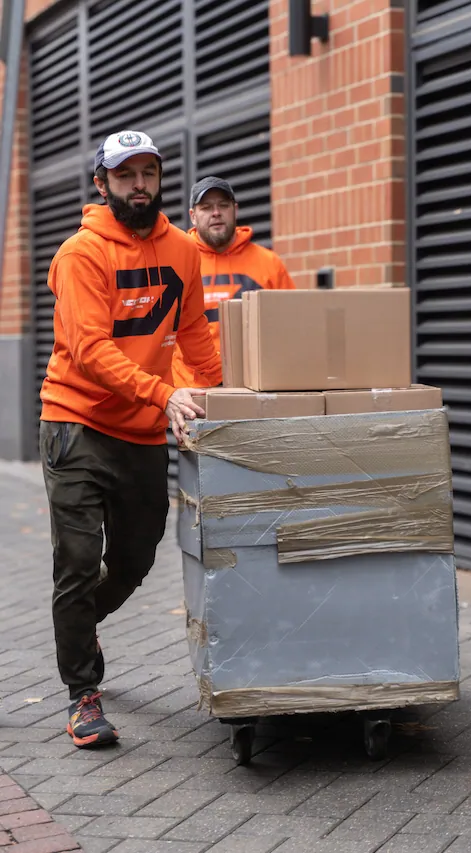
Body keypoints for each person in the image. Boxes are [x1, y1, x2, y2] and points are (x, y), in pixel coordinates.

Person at [39, 130, 222, 748]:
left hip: (142, 430)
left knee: (137, 558)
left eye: (148, 173)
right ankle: (82, 693)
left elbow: (193, 330)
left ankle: (80, 624)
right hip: (76, 423)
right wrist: (164, 393)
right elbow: (89, 351)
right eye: (125, 176)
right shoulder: (80, 254)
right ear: (102, 185)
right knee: (79, 559)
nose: (139, 185)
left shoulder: (183, 250)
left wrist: (222, 395)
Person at [171, 176, 295, 387]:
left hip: (254, 389)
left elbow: (293, 327)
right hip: (192, 393)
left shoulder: (269, 263)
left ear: (235, 210)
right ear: (193, 216)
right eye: (207, 207)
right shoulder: (175, 264)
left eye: (223, 205)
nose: (216, 213)